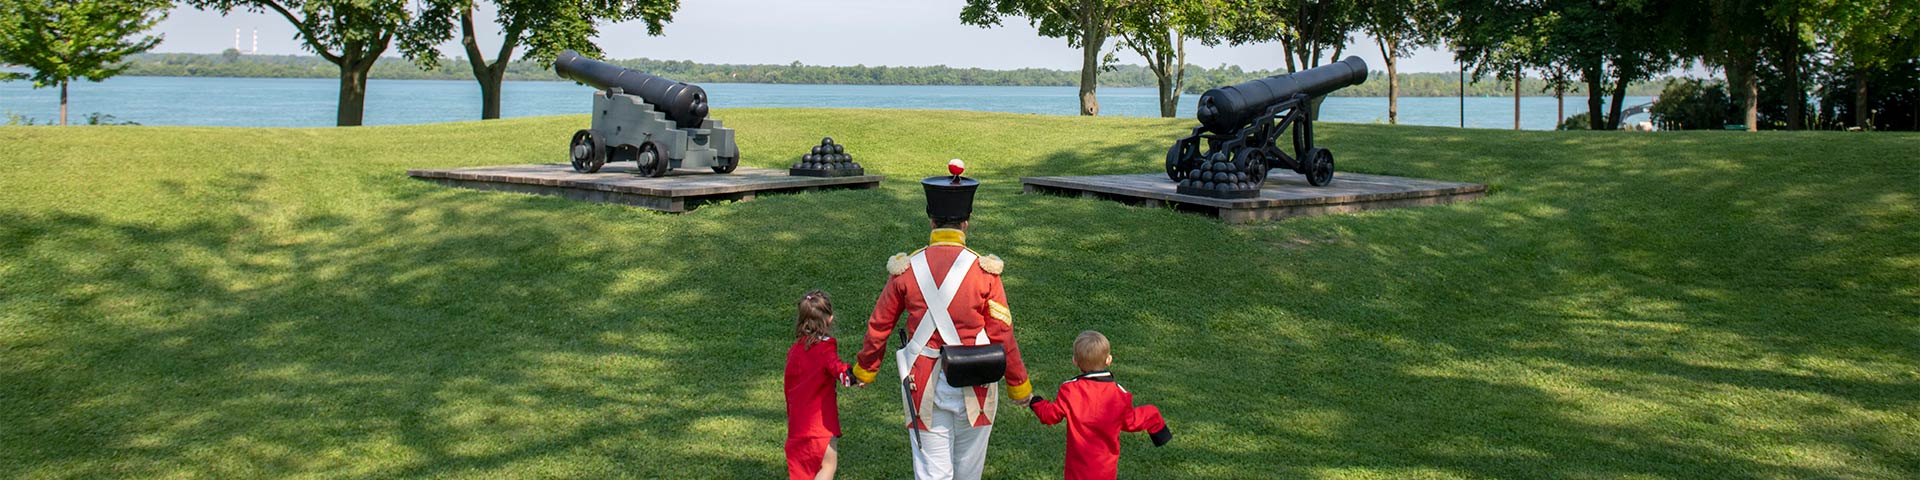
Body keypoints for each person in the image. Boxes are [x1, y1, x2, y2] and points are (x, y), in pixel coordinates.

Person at [849, 159, 1033, 480]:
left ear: (931, 219)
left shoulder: (906, 269)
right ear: (967, 222)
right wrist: (1019, 386)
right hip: (977, 385)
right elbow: (1003, 334)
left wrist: (866, 369)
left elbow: (879, 325)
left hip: (924, 385)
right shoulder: (984, 272)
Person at [1027, 331, 1172, 480]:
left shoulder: (1070, 390)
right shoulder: (1119, 394)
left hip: (1077, 472)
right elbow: (1132, 421)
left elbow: (1050, 416)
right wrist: (1156, 424)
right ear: (1108, 360)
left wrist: (1034, 401)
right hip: (1105, 472)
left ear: (1075, 361)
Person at [785, 290, 857, 480]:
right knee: (827, 467)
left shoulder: (794, 351)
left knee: (802, 474)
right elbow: (838, 369)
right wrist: (855, 376)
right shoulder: (825, 347)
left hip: (797, 425)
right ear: (830, 319)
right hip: (820, 425)